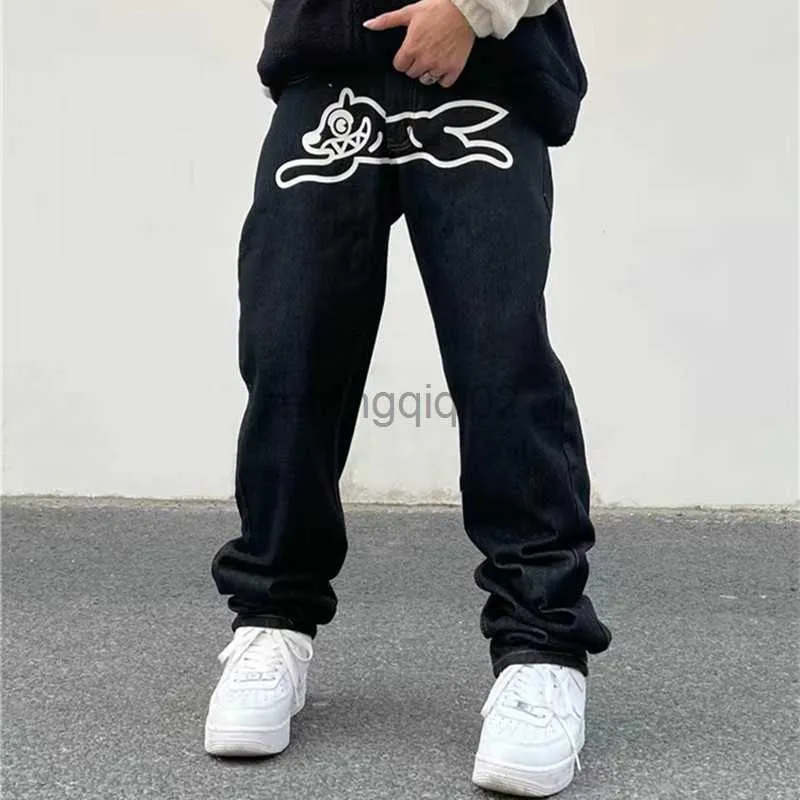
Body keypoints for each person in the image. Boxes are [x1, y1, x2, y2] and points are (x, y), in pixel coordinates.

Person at [205, 1, 612, 796]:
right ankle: (272, 619)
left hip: (483, 70)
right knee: (289, 345)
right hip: (328, 72)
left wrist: (472, 8)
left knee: (499, 355)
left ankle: (542, 645)